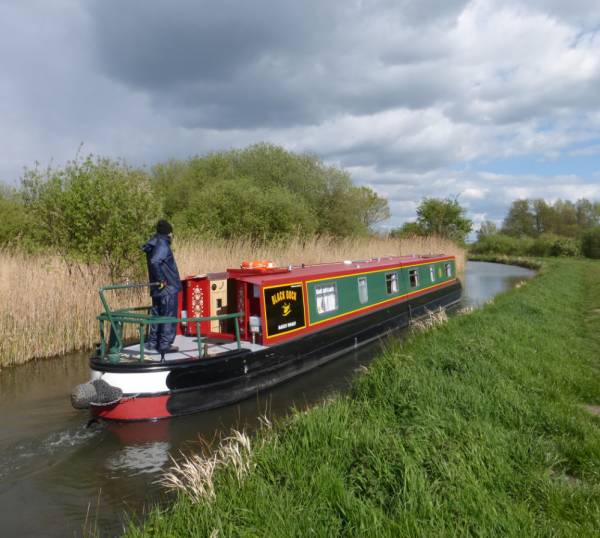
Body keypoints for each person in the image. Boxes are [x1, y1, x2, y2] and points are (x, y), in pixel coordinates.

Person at [142, 219, 182, 355]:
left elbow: (154, 262)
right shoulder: (163, 244)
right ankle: (165, 345)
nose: (171, 236)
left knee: (157, 315)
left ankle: (153, 342)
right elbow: (155, 261)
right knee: (168, 315)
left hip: (157, 289)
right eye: (171, 233)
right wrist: (162, 280)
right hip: (167, 288)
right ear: (168, 233)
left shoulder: (153, 243)